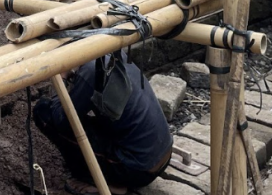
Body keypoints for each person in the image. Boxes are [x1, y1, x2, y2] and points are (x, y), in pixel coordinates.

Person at [33, 53, 173, 195]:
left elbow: (60, 119)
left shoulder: (90, 71)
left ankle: (104, 181)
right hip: (163, 154)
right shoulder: (109, 51)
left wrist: (61, 77)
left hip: (137, 171)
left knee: (44, 112)